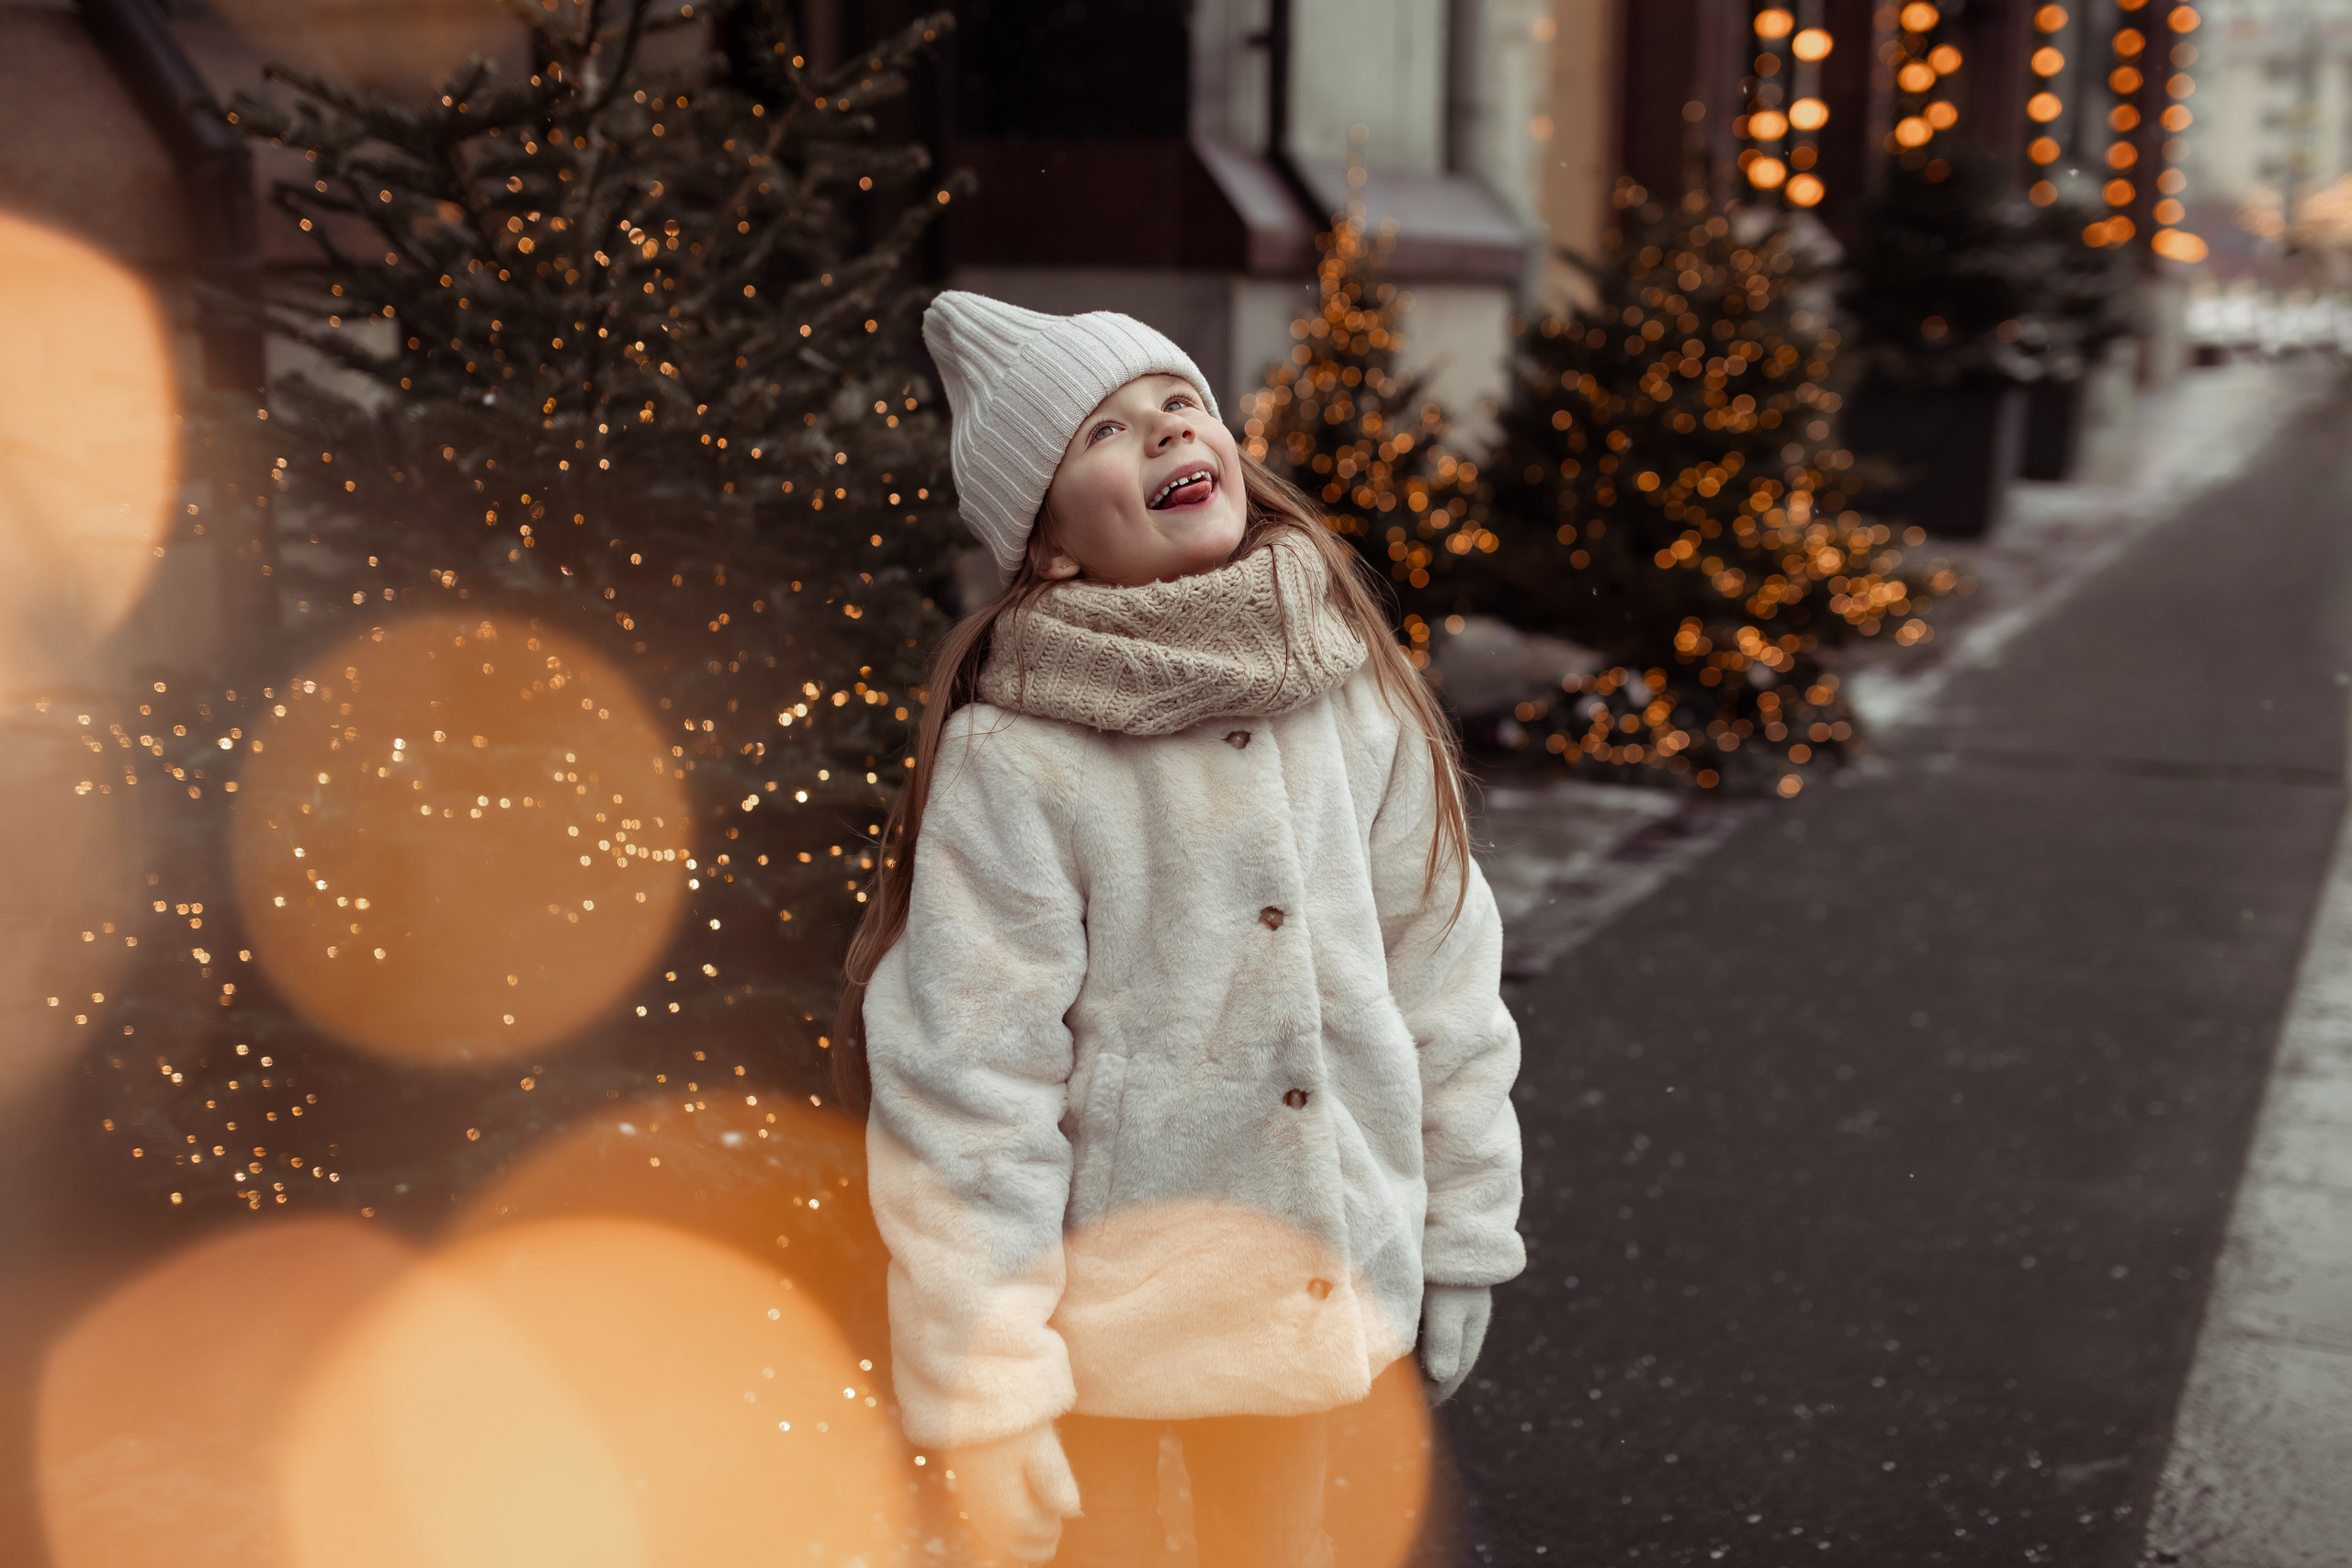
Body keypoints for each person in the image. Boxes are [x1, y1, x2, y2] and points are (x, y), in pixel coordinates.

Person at [834, 293, 1524, 1567]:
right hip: (1100, 1319)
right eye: (1103, 430)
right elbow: (969, 1077)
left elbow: (1443, 974)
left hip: (1305, 1282)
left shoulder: (1353, 699)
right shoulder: (1019, 759)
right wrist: (991, 1380)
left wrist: (1466, 1227)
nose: (1164, 431)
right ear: (1047, 547)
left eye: (1179, 402)